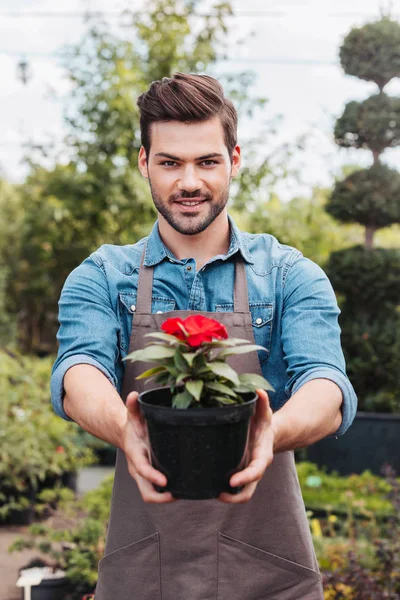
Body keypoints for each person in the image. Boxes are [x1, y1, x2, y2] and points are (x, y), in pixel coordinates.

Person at [51, 72, 357, 599]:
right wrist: (126, 429)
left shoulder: (288, 275)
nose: (189, 181)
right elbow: (79, 372)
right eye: (170, 162)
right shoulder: (103, 277)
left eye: (207, 161)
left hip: (269, 575)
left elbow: (326, 386)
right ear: (144, 162)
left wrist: (270, 434)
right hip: (144, 574)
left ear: (234, 159)